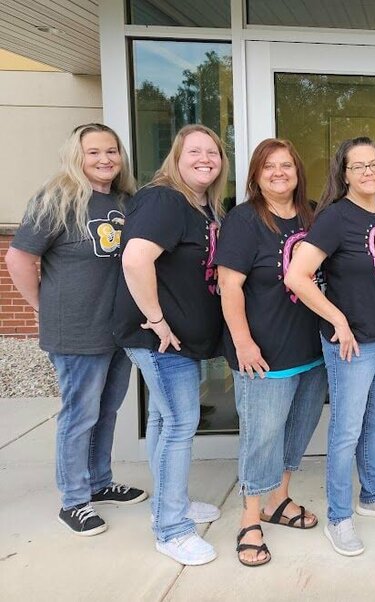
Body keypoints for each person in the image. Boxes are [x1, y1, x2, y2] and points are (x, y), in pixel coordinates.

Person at [5, 123, 147, 536]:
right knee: (79, 415)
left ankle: (100, 482)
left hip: (119, 328)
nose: (105, 159)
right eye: (93, 152)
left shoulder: (125, 200)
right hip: (78, 331)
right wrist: (44, 308)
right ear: (76, 156)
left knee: (107, 410)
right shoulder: (57, 199)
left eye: (112, 151)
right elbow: (18, 259)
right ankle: (73, 499)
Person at [285, 136, 375, 556]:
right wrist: (337, 318)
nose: (368, 171)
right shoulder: (335, 218)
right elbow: (297, 276)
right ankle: (339, 517)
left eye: (374, 163)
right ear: (344, 174)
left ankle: (372, 495)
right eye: (357, 166)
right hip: (352, 345)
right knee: (346, 430)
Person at [112, 124, 228, 565]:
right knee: (180, 423)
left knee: (164, 421)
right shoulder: (164, 198)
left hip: (177, 338)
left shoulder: (199, 206)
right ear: (176, 157)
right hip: (159, 337)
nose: (205, 158)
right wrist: (157, 320)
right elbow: (136, 258)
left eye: (212, 152)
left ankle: (169, 501)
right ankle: (171, 529)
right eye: (194, 151)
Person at [216, 139, 327, 567]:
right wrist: (242, 341)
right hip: (263, 354)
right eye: (269, 167)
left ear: (298, 172)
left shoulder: (310, 214)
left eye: (286, 166)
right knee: (261, 438)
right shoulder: (243, 220)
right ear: (256, 174)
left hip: (310, 350)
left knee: (296, 433)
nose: (279, 173)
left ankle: (278, 500)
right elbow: (230, 286)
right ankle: (249, 518)